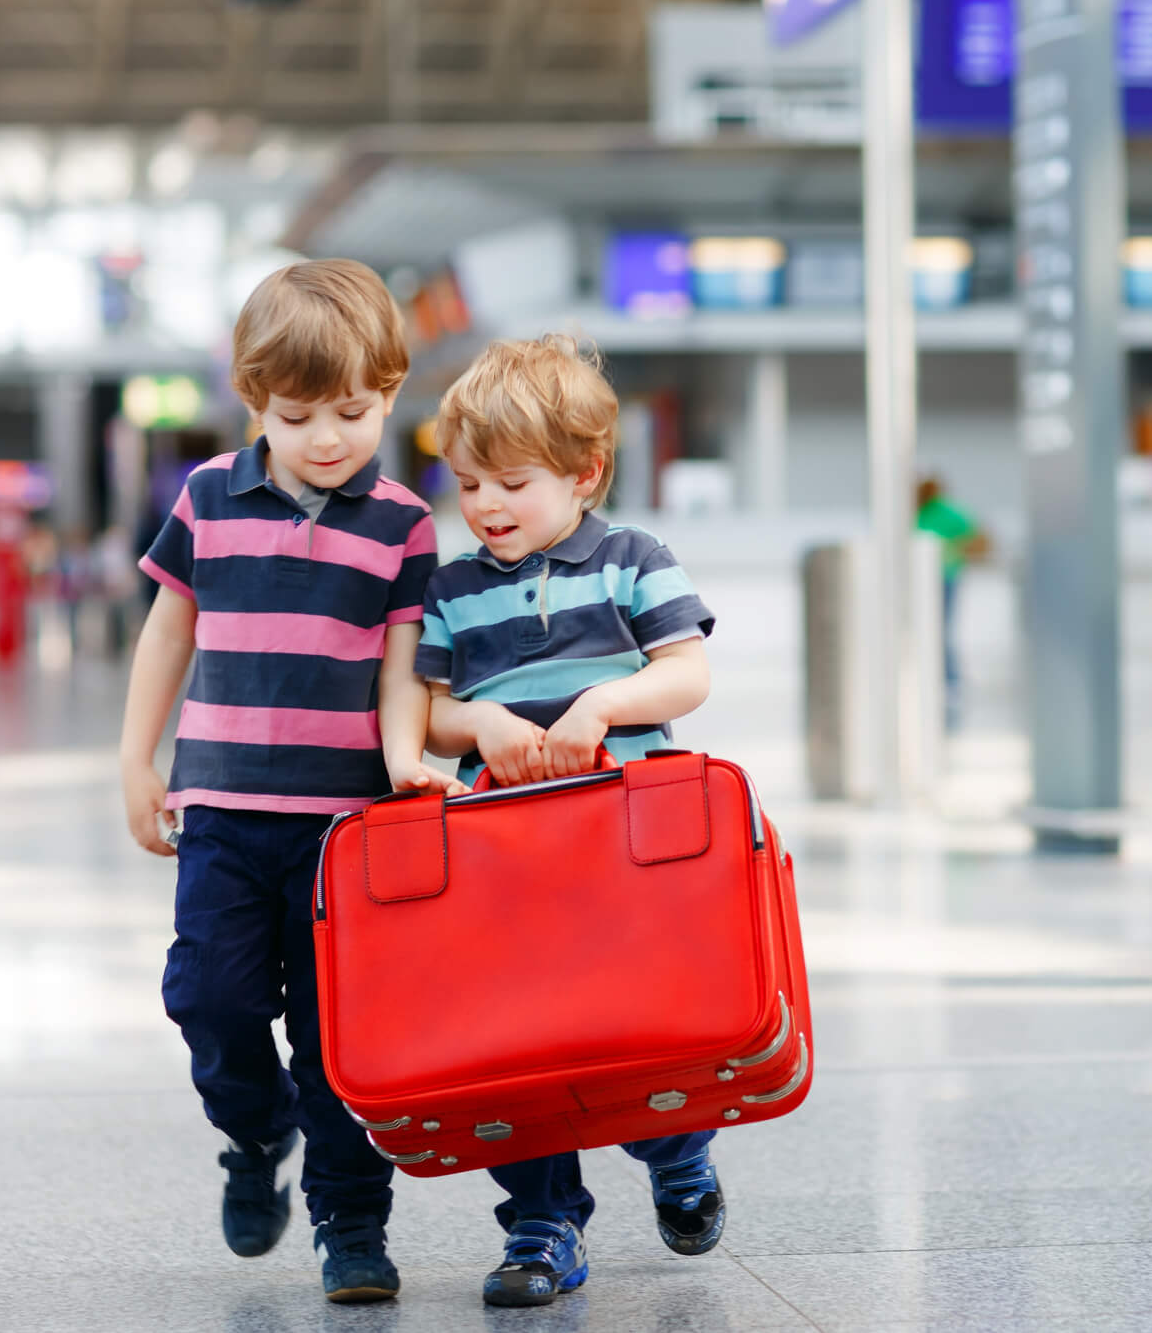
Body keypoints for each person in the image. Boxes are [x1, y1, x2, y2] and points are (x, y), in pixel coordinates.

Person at [117, 259, 464, 1305]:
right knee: (209, 997)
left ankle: (352, 1226)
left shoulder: (402, 522)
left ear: (392, 394)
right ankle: (255, 1129)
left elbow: (406, 658)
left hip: (346, 830)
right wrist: (137, 758)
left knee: (339, 1041)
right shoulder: (209, 497)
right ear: (252, 399)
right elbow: (169, 625)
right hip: (222, 809)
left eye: (352, 412)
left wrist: (409, 765)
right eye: (297, 413)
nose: (326, 437)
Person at [416, 335, 721, 1309]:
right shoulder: (456, 589)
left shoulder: (633, 558)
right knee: (519, 1048)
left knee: (636, 1027)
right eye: (468, 484)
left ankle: (677, 1152)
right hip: (504, 860)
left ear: (585, 473)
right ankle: (542, 1220)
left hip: (622, 854)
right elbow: (425, 707)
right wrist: (482, 722)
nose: (487, 506)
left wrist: (601, 703)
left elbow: (688, 671)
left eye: (512, 481)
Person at [915, 475, 989, 726]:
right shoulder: (917, 511)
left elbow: (978, 538)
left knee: (941, 631)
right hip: (919, 581)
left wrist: (956, 552)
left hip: (945, 578)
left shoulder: (946, 511)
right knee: (926, 632)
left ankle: (951, 684)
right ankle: (928, 680)